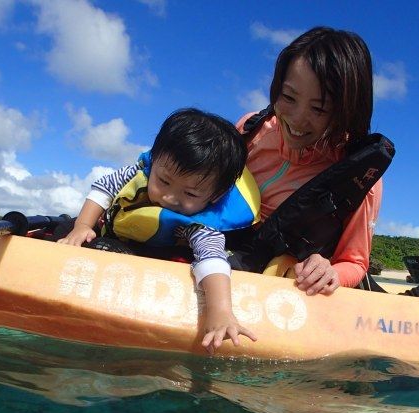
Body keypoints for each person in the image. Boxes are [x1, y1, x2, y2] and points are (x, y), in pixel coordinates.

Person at [58, 108, 260, 354]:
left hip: (156, 257)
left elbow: (213, 260)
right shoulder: (139, 173)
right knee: (64, 227)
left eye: (190, 193)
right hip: (117, 238)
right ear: (154, 161)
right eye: (163, 181)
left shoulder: (200, 225)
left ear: (214, 196)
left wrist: (220, 312)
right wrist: (82, 226)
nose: (169, 197)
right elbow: (103, 188)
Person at [226, 26, 389, 297]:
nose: (298, 120)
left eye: (319, 108)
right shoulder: (250, 129)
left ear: (347, 110)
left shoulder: (360, 178)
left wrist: (330, 271)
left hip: (277, 291)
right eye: (288, 97)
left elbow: (355, 262)